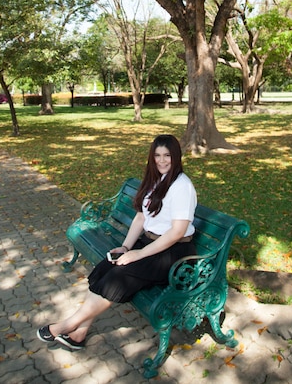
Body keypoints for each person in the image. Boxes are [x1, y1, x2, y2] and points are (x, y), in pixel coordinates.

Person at [37, 133, 197, 350]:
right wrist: (126, 247)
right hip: (151, 244)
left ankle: (67, 325)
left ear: (176, 157)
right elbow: (141, 218)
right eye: (157, 155)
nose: (161, 160)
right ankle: (80, 333)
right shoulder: (154, 180)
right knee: (107, 266)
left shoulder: (181, 186)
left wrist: (138, 254)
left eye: (167, 155)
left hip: (174, 253)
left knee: (120, 275)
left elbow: (177, 232)